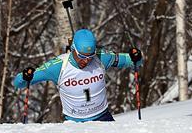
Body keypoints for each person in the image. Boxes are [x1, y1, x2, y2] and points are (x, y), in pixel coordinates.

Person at [13, 29, 142, 122]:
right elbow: (19, 83)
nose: (85, 61)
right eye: (81, 56)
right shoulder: (58, 66)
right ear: (73, 48)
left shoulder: (101, 57)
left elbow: (132, 61)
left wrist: (136, 57)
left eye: (89, 57)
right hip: (74, 122)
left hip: (103, 117)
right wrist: (24, 77)